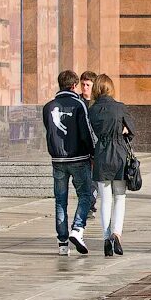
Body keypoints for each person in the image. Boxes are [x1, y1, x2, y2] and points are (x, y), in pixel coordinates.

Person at [43, 70, 96, 256]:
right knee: (85, 195)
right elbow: (86, 132)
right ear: (74, 86)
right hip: (79, 158)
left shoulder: (48, 107)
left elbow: (49, 131)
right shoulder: (79, 104)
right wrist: (93, 152)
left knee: (60, 201)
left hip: (57, 160)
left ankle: (63, 242)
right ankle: (77, 228)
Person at [88, 74, 137, 257]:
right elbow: (131, 130)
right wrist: (123, 131)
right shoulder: (120, 107)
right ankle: (117, 234)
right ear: (110, 88)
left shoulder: (92, 110)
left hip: (101, 154)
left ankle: (106, 236)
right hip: (119, 153)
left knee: (105, 199)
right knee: (120, 197)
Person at [79, 70, 99, 216]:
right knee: (85, 179)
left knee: (93, 179)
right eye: (83, 84)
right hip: (81, 145)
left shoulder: (97, 103)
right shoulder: (78, 102)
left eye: (87, 84)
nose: (84, 87)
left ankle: (90, 204)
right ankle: (87, 204)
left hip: (96, 145)